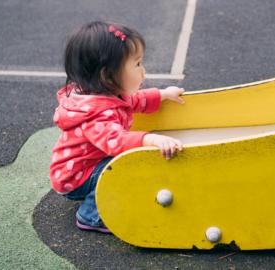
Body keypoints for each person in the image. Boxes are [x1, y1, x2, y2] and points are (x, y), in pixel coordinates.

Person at [49, 21, 185, 233]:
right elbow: (117, 142)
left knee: (119, 165)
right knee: (121, 165)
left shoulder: (109, 94)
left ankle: (96, 194)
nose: (143, 72)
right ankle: (91, 215)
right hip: (76, 177)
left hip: (86, 165)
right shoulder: (95, 114)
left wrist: (162, 94)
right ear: (106, 76)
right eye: (137, 64)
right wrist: (150, 139)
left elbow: (135, 100)